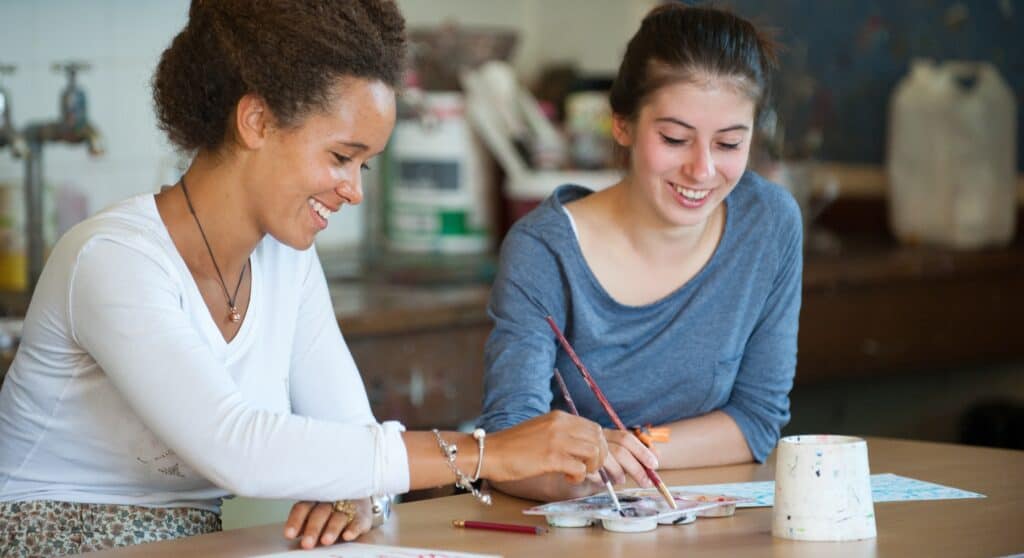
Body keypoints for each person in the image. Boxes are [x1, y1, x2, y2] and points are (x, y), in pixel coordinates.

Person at [0, 1, 608, 556]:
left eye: (365, 165)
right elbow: (235, 446)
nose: (355, 190)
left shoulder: (286, 259)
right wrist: (489, 451)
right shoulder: (112, 258)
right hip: (57, 540)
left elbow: (354, 437)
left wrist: (356, 493)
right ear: (257, 121)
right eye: (341, 157)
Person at [479, 4, 801, 502]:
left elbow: (756, 421)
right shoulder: (544, 250)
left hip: (699, 521)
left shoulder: (768, 223)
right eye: (674, 138)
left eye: (730, 143)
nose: (702, 169)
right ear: (623, 125)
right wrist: (598, 460)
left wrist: (632, 448)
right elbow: (509, 442)